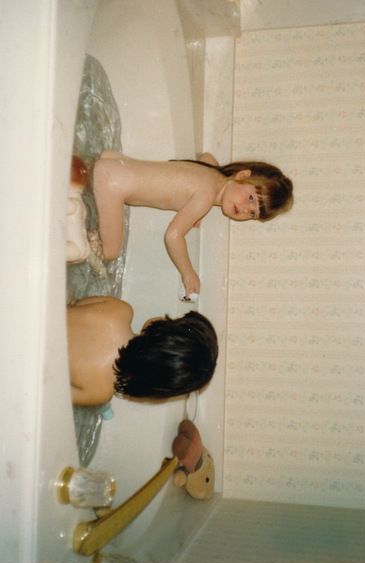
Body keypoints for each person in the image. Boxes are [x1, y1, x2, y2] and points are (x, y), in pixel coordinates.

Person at [93, 151, 293, 298]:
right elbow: (173, 236)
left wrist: (198, 211)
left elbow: (207, 156)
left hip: (113, 162)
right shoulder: (205, 197)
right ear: (242, 175)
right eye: (250, 198)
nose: (244, 209)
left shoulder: (212, 173)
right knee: (110, 252)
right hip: (112, 183)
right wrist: (188, 274)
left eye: (252, 213)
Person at [67, 296, 218, 406]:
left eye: (172, 320)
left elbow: (73, 304)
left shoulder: (119, 310)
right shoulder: (100, 391)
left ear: (160, 333)